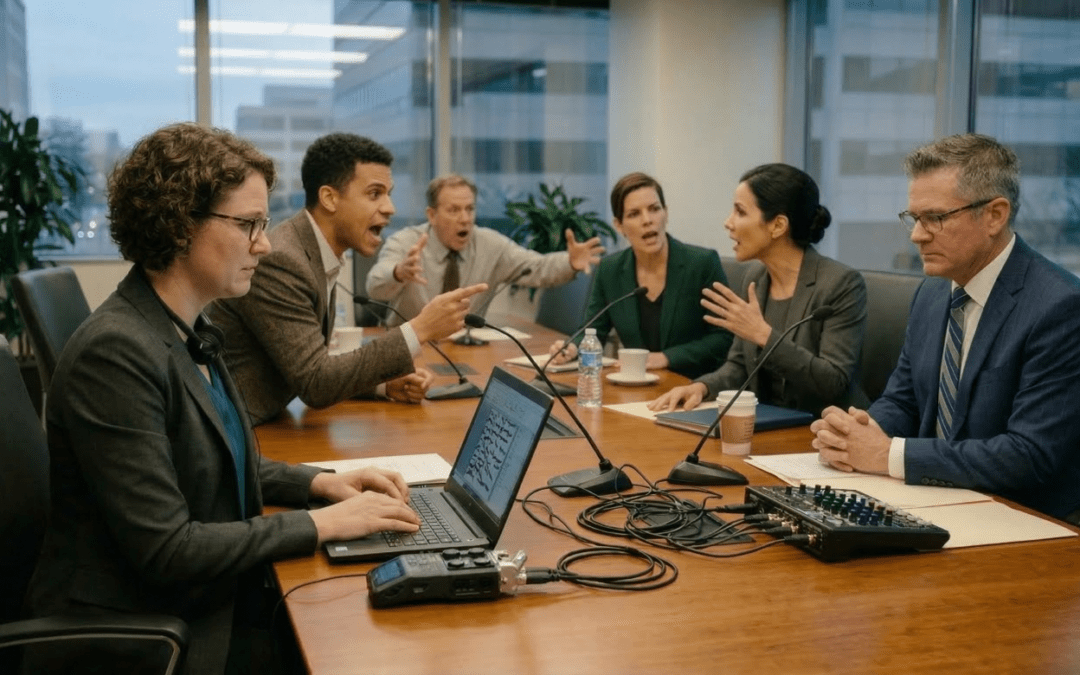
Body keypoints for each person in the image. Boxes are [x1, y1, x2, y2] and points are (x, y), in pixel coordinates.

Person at [25, 124, 421, 674]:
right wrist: (323, 524)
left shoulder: (188, 328)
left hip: (205, 602)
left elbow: (214, 462)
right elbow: (170, 550)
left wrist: (321, 483)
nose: (264, 242)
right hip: (150, 633)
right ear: (179, 224)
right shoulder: (116, 352)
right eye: (248, 225)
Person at [811, 133, 1080, 523]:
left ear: (995, 215)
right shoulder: (933, 292)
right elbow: (903, 400)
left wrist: (888, 455)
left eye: (935, 218)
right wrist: (855, 433)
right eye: (914, 219)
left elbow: (1030, 456)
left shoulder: (1059, 307)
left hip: (1021, 516)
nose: (917, 235)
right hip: (930, 498)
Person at [209, 135, 486, 425]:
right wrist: (420, 329)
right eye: (375, 193)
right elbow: (316, 382)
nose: (390, 207)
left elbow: (305, 366)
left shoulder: (312, 251)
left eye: (388, 193)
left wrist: (382, 385)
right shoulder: (284, 260)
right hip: (237, 432)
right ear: (329, 198)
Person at [648, 163, 867, 415]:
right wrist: (701, 387)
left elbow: (834, 382)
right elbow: (739, 367)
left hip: (823, 432)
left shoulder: (841, 284)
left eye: (740, 212)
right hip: (767, 428)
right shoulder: (756, 278)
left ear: (778, 226)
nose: (728, 223)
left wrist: (763, 334)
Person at [546, 172, 734, 379]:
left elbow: (724, 337)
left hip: (694, 387)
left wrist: (667, 357)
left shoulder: (701, 263)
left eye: (654, 209)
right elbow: (592, 331)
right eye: (634, 214)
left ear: (666, 214)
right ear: (619, 225)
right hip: (636, 387)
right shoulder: (610, 269)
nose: (647, 220)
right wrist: (571, 348)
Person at [365, 173, 604, 323]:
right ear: (432, 215)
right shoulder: (406, 242)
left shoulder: (490, 244)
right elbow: (374, 286)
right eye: (454, 210)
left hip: (468, 348)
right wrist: (398, 272)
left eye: (469, 209)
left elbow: (536, 267)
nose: (465, 219)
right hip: (412, 346)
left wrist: (569, 262)